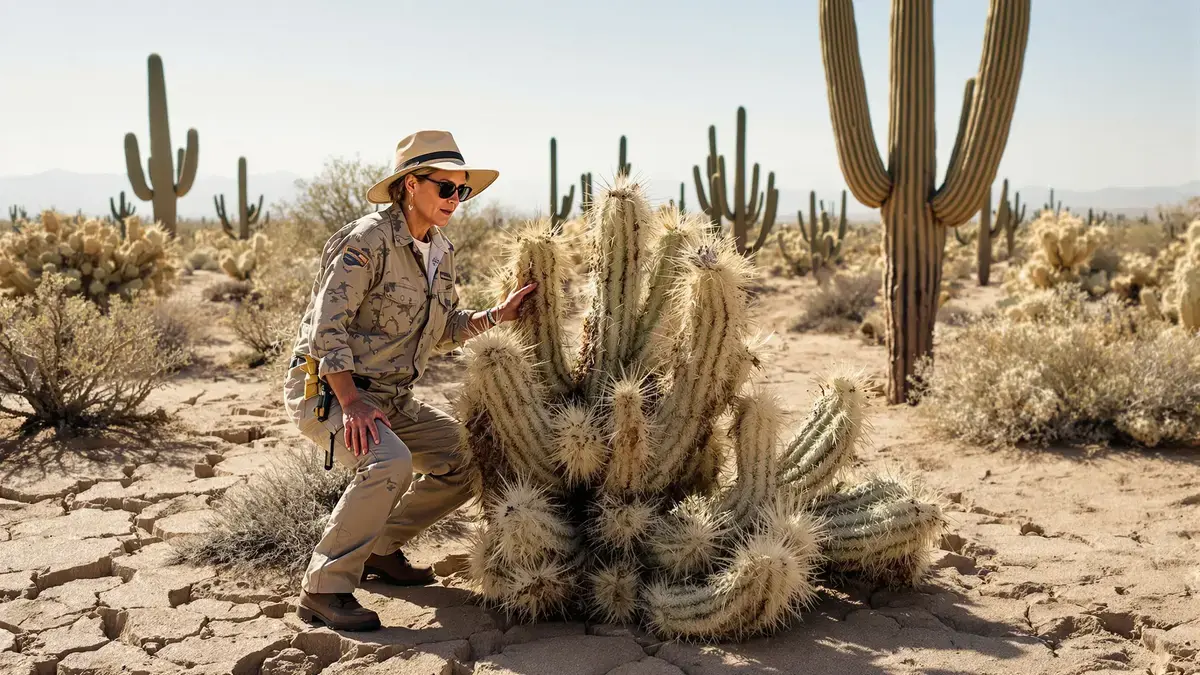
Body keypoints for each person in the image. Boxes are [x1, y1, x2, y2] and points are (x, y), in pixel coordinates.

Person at [282, 130, 535, 631]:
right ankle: (323, 588)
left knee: (465, 457)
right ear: (410, 185)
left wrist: (495, 316)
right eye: (446, 189)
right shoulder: (366, 241)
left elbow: (442, 328)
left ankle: (378, 547)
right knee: (388, 460)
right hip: (330, 390)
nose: (455, 201)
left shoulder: (440, 250)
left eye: (462, 192)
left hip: (392, 397)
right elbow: (324, 329)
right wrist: (351, 401)